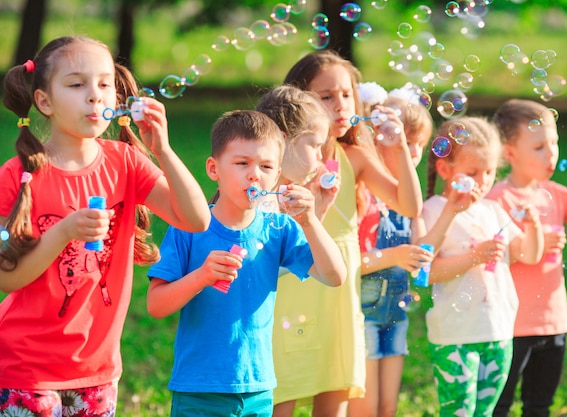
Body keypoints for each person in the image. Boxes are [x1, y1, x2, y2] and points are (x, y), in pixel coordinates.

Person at [0, 36, 211, 416]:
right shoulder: (18, 175)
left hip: (97, 370)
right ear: (44, 101)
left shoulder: (126, 162)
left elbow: (196, 219)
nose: (95, 96)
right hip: (24, 368)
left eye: (104, 83)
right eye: (77, 84)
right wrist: (63, 232)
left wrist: (162, 149)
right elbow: (7, 278)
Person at [145, 110, 347, 417]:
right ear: (213, 168)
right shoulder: (189, 228)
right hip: (200, 389)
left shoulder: (280, 228)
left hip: (258, 388)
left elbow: (335, 276)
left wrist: (309, 222)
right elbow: (156, 305)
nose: (254, 174)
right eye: (242, 163)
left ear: (277, 176)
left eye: (266, 166)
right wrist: (201, 276)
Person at [271, 50, 422, 417]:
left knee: (334, 383)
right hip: (294, 283)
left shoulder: (353, 156)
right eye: (325, 96)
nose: (339, 104)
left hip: (340, 288)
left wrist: (397, 146)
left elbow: (409, 205)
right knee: (283, 385)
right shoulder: (281, 159)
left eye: (346, 94)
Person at [487, 99, 567, 417]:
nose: (552, 153)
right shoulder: (497, 199)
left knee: (539, 405)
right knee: (498, 405)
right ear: (510, 153)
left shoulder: (554, 192)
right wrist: (537, 244)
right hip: (511, 324)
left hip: (554, 321)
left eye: (554, 143)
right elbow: (492, 255)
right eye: (539, 147)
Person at [421, 116, 544, 417]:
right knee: (459, 412)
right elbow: (425, 272)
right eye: (472, 172)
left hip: (498, 330)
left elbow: (529, 255)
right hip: (455, 334)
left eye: (489, 171)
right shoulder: (434, 210)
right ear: (444, 169)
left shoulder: (492, 209)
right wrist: (473, 258)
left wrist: (533, 225)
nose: (483, 180)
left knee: (486, 412)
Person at [348, 82, 434, 417]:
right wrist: (394, 256)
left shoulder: (409, 200)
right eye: (403, 141)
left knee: (388, 406)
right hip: (362, 312)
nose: (412, 151)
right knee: (364, 408)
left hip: (395, 312)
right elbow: (347, 261)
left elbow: (424, 254)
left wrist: (450, 210)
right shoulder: (364, 194)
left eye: (420, 144)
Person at [255, 84, 337, 221]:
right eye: (314, 145)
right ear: (280, 140)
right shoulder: (251, 198)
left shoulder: (275, 196)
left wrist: (318, 210)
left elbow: (296, 243)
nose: (320, 156)